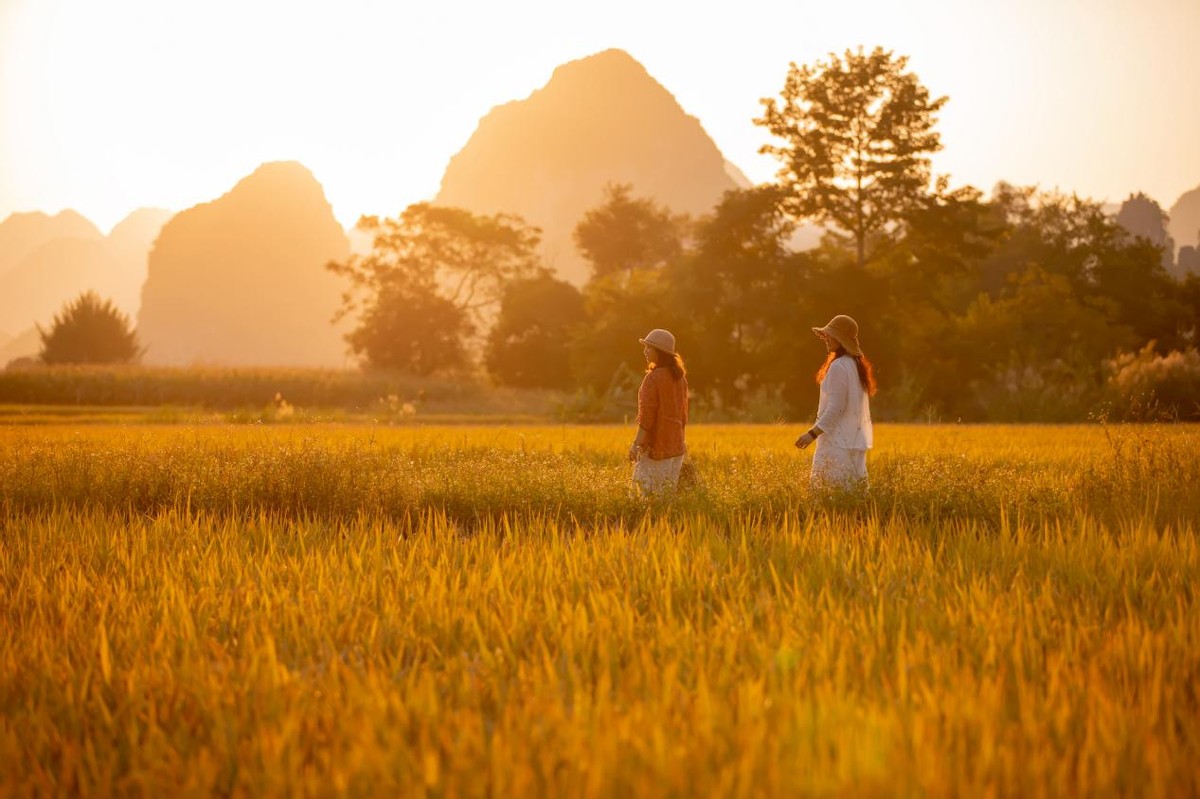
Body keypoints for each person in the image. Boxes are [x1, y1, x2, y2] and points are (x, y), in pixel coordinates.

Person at [794, 314, 876, 489]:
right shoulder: (854, 365)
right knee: (853, 497)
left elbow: (836, 408)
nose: (827, 338)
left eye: (831, 335)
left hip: (836, 445)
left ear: (841, 339)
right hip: (851, 443)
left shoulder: (839, 366)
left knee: (828, 497)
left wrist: (812, 434)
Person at [629, 328, 689, 494]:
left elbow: (646, 417)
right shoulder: (680, 379)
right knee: (666, 500)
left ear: (660, 353)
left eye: (649, 348)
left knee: (643, 498)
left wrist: (636, 445)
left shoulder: (653, 378)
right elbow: (683, 417)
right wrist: (681, 442)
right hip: (676, 448)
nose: (645, 351)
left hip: (657, 448)